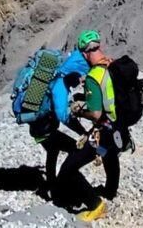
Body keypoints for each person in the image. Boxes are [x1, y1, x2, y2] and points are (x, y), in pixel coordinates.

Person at [56, 30, 122, 222]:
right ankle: (110, 190)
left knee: (68, 169)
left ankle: (95, 204)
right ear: (98, 46)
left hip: (104, 132)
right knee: (108, 154)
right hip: (119, 128)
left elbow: (95, 114)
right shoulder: (113, 65)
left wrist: (78, 111)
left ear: (85, 54)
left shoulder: (93, 76)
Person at [29, 44, 89, 197]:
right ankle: (66, 187)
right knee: (75, 150)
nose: (81, 81)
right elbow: (63, 116)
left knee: (53, 150)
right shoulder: (60, 86)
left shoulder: (56, 77)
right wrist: (82, 131)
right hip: (45, 129)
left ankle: (50, 185)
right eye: (81, 76)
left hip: (38, 128)